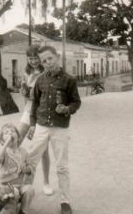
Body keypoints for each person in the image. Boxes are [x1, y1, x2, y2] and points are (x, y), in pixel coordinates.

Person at [28, 45, 81, 214]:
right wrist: (32, 124)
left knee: (62, 166)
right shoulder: (40, 79)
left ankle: (65, 201)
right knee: (30, 162)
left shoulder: (69, 79)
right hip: (41, 126)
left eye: (50, 58)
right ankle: (20, 197)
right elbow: (35, 103)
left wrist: (66, 109)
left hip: (60, 128)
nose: (47, 63)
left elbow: (76, 102)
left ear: (57, 57)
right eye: (43, 61)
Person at [18, 44, 53, 196]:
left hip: (42, 112)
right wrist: (23, 91)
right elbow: (26, 95)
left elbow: (44, 95)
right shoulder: (26, 73)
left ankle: (46, 182)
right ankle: (14, 177)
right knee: (16, 140)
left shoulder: (46, 72)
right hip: (28, 110)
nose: (33, 61)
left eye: (35, 58)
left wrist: (31, 93)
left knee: (43, 149)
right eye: (30, 58)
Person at [0, 123, 35, 214]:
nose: (10, 134)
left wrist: (26, 169)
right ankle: (11, 210)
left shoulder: (23, 151)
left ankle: (24, 211)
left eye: (12, 131)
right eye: (6, 132)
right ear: (1, 140)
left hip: (20, 185)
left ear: (18, 136)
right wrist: (6, 144)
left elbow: (30, 166)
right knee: (15, 193)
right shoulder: (3, 151)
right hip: (6, 187)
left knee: (29, 189)